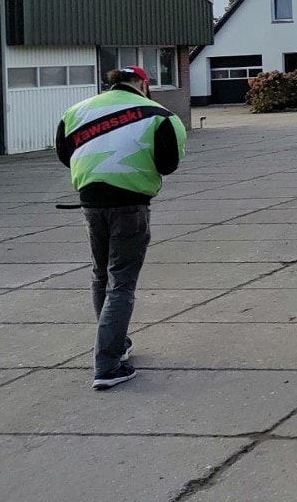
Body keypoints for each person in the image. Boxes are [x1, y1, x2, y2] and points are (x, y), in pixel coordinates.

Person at [55, 65, 186, 388]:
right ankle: (107, 365)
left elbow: (65, 154)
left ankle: (118, 343)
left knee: (101, 274)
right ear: (142, 83)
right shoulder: (160, 115)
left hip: (90, 201)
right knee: (121, 283)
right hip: (131, 204)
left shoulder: (76, 111)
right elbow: (168, 164)